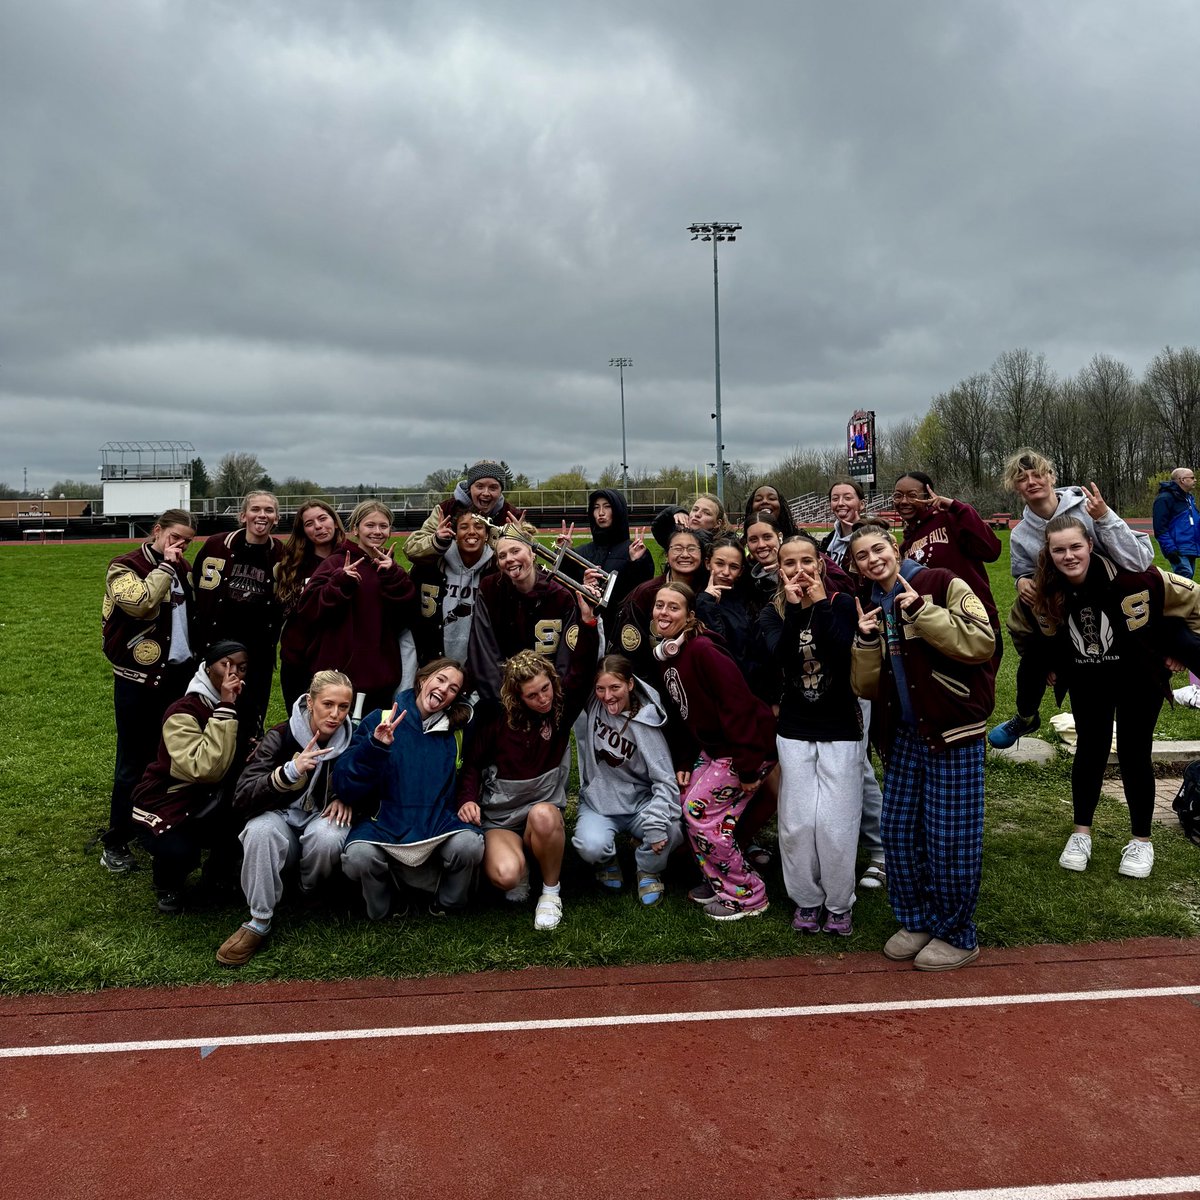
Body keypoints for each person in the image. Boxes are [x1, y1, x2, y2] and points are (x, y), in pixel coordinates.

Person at [849, 522, 995, 971]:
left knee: (949, 837)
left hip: (952, 730)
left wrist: (921, 612)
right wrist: (866, 641)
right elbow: (865, 686)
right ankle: (915, 920)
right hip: (904, 734)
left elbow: (981, 643)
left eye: (878, 549)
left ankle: (956, 932)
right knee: (898, 831)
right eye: (862, 556)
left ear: (895, 548)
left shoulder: (941, 581)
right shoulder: (869, 601)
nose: (873, 560)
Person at [1020, 515, 1200, 879]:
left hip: (1139, 677)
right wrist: (1048, 665)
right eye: (1059, 550)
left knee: (1135, 753)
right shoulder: (1043, 590)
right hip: (1089, 678)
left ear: (1090, 544)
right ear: (1048, 553)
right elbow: (1022, 629)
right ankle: (1080, 834)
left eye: (1076, 546)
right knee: (1090, 751)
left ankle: (1141, 841)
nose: (1069, 556)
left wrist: (1182, 651)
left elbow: (1193, 597)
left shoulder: (1136, 578)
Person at [989, 448, 1154, 748]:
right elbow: (1023, 571)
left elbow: (1139, 560)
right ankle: (1026, 716)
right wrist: (1021, 581)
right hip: (1066, 614)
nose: (1031, 482)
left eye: (1038, 474)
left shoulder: (1088, 508)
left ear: (1051, 477)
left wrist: (1105, 518)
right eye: (1022, 478)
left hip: (1115, 608)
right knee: (1033, 652)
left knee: (1169, 643)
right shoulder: (1021, 534)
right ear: (1014, 486)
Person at [458, 606, 599, 930]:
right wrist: (466, 799)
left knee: (545, 816)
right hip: (502, 817)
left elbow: (582, 669)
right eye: (532, 695)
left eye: (545, 688)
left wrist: (588, 625)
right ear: (517, 697)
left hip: (540, 810)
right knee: (506, 877)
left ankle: (550, 891)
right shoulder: (496, 718)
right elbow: (472, 764)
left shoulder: (559, 711)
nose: (543, 699)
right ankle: (520, 867)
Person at [651, 582, 777, 921]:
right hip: (717, 748)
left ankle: (747, 895)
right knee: (686, 803)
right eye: (660, 605)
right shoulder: (670, 654)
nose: (664, 612)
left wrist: (748, 768)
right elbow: (685, 713)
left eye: (673, 607)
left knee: (701, 814)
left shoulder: (704, 650)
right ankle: (718, 879)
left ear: (689, 615)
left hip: (745, 747)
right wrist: (684, 759)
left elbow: (738, 707)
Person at [216, 669, 356, 967]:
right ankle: (259, 920)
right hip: (281, 819)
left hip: (319, 820)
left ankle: (308, 890)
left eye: (343, 707)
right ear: (310, 702)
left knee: (329, 834)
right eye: (327, 704)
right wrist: (288, 773)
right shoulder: (281, 735)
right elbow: (242, 797)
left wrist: (347, 796)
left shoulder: (353, 739)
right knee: (260, 830)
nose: (335, 714)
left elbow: (373, 781)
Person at [761, 534, 863, 935]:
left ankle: (838, 903)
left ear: (820, 564)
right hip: (795, 728)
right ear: (779, 570)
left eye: (807, 561)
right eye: (790, 563)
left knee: (835, 825)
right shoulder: (771, 613)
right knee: (798, 823)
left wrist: (819, 604)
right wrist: (794, 609)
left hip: (840, 727)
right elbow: (783, 659)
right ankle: (806, 899)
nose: (799, 570)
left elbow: (841, 654)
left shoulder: (841, 604)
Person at [335, 659, 482, 918]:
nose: (444, 689)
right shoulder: (380, 719)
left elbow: (468, 773)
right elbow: (344, 782)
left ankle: (448, 904)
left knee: (469, 844)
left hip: (437, 823)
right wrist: (375, 746)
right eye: (440, 679)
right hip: (384, 824)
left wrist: (467, 800)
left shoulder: (457, 732)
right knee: (359, 855)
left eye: (453, 689)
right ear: (423, 680)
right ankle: (384, 907)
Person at [100, 508, 198, 873]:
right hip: (138, 680)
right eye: (175, 537)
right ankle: (116, 840)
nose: (180, 546)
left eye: (187, 542)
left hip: (178, 678)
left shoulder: (185, 569)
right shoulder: (124, 566)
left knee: (167, 759)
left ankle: (148, 825)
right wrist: (166, 566)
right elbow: (140, 605)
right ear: (157, 531)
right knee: (132, 761)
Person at [130, 641, 248, 914]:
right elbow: (206, 769)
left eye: (241, 668)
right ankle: (167, 882)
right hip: (168, 800)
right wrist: (226, 707)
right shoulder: (182, 711)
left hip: (209, 797)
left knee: (249, 809)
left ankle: (218, 876)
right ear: (207, 668)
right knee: (180, 850)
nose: (234, 674)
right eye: (226, 665)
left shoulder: (241, 703)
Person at [572, 655, 684, 905]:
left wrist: (655, 823)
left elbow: (665, 781)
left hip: (639, 804)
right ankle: (607, 859)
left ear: (630, 684)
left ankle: (647, 868)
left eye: (615, 687)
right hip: (599, 802)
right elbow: (581, 659)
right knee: (590, 846)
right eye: (601, 688)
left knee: (672, 830)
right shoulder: (594, 703)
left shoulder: (645, 724)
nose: (607, 696)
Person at [291, 501, 415, 715]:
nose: (377, 531)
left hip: (381, 676)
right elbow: (308, 608)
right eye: (370, 525)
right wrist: (339, 582)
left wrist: (393, 575)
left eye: (383, 526)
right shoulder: (336, 562)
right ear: (355, 529)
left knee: (374, 731)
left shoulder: (391, 567)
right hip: (340, 675)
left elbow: (407, 613)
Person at [191, 490, 283, 735]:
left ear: (276, 518)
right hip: (215, 645)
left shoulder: (281, 554)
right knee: (209, 712)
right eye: (255, 509)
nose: (261, 515)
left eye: (269, 510)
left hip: (257, 652)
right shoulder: (217, 545)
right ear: (243, 516)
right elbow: (196, 587)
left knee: (251, 717)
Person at [893, 471, 1003, 660]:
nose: (904, 501)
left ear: (928, 496)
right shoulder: (906, 546)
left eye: (912, 495)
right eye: (898, 495)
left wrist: (956, 507)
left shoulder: (949, 519)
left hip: (973, 624)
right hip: (939, 630)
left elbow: (991, 550)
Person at [467, 527, 581, 705]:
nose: (509, 559)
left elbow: (566, 660)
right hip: (505, 699)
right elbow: (485, 651)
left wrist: (551, 698)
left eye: (515, 551)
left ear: (532, 553)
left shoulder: (560, 596)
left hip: (547, 699)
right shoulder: (490, 589)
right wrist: (506, 699)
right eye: (502, 555)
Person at [403, 507, 497, 682]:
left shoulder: (496, 569)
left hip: (478, 668)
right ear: (454, 533)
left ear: (487, 534)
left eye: (478, 526)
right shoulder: (430, 566)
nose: (471, 531)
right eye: (464, 527)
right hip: (432, 665)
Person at [276, 500, 349, 710]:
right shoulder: (293, 564)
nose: (318, 526)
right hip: (299, 660)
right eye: (309, 523)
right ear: (303, 531)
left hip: (339, 659)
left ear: (335, 522)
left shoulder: (352, 558)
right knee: (300, 719)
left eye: (323, 518)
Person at [611, 527, 709, 681]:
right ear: (667, 556)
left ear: (702, 556)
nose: (684, 554)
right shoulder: (644, 594)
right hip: (653, 686)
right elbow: (629, 655)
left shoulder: (709, 593)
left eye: (691, 549)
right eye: (677, 548)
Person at [405, 460, 521, 564]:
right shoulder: (446, 510)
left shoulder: (512, 516)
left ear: (501, 491)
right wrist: (437, 540)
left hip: (493, 579)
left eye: (493, 488)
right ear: (470, 488)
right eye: (480, 486)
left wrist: (520, 540)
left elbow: (528, 559)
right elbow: (411, 549)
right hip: (445, 578)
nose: (486, 493)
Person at [556, 488, 654, 608]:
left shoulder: (634, 551)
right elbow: (564, 595)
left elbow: (643, 595)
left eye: (607, 506)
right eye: (596, 507)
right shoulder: (581, 552)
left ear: (618, 511)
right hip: (587, 618)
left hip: (621, 618)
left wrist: (637, 563)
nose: (601, 512)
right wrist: (565, 556)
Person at [1152, 467, 1199, 579]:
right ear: (1182, 480)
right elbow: (1160, 528)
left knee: (1188, 579)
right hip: (1177, 548)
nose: (1195, 480)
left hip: (1190, 546)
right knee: (1185, 575)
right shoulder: (1165, 499)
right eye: (1192, 477)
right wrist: (1170, 549)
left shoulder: (1189, 498)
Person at [651, 492, 730, 551]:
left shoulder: (725, 547)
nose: (697, 514)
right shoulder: (677, 537)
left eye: (706, 513)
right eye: (695, 509)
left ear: (718, 523)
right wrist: (677, 510)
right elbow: (658, 526)